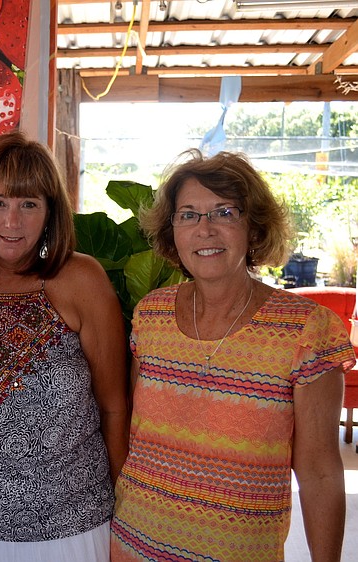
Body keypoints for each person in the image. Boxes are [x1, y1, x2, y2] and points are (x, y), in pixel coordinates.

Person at [110, 149, 354, 561]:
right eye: (188, 215)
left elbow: (319, 472)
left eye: (224, 213)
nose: (204, 229)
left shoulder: (306, 330)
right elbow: (137, 435)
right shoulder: (150, 315)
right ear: (172, 231)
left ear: (253, 228)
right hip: (135, 544)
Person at [0, 131, 129, 561]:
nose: (12, 222)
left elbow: (114, 407)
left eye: (29, 204)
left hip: (71, 528)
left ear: (51, 212)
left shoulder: (82, 280)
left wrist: (126, 510)